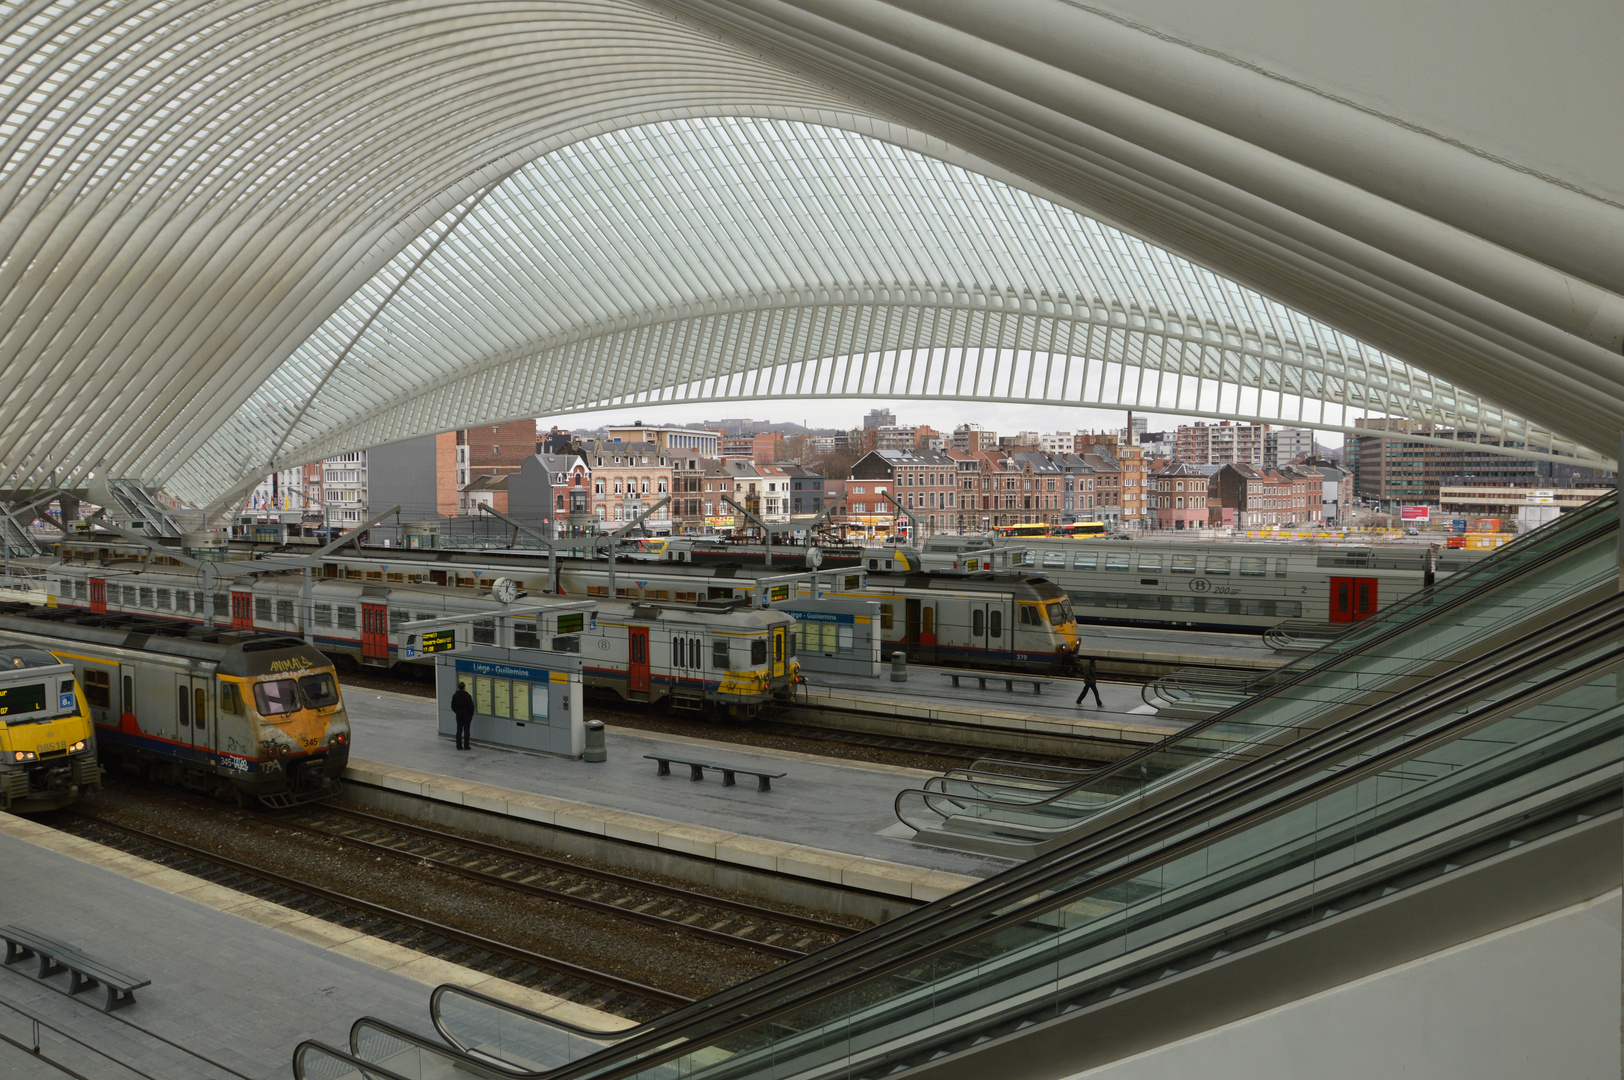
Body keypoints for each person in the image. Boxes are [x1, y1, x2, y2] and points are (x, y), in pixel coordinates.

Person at [450, 681, 475, 750]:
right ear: (464, 687)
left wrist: (457, 712)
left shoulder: (455, 695)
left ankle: (458, 745)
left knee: (459, 729)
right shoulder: (467, 696)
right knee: (466, 730)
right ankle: (466, 746)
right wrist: (470, 714)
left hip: (459, 714)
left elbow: (453, 706)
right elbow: (471, 707)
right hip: (467, 715)